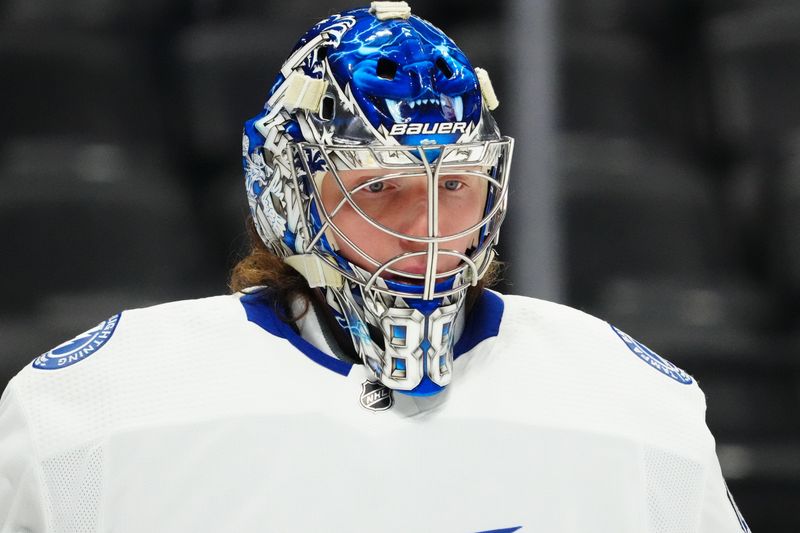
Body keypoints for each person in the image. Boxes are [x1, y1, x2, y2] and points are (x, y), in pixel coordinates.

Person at [0, 2, 749, 531]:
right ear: (289, 195)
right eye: (379, 185)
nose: (426, 227)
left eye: (455, 183)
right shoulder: (93, 413)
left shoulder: (638, 408)